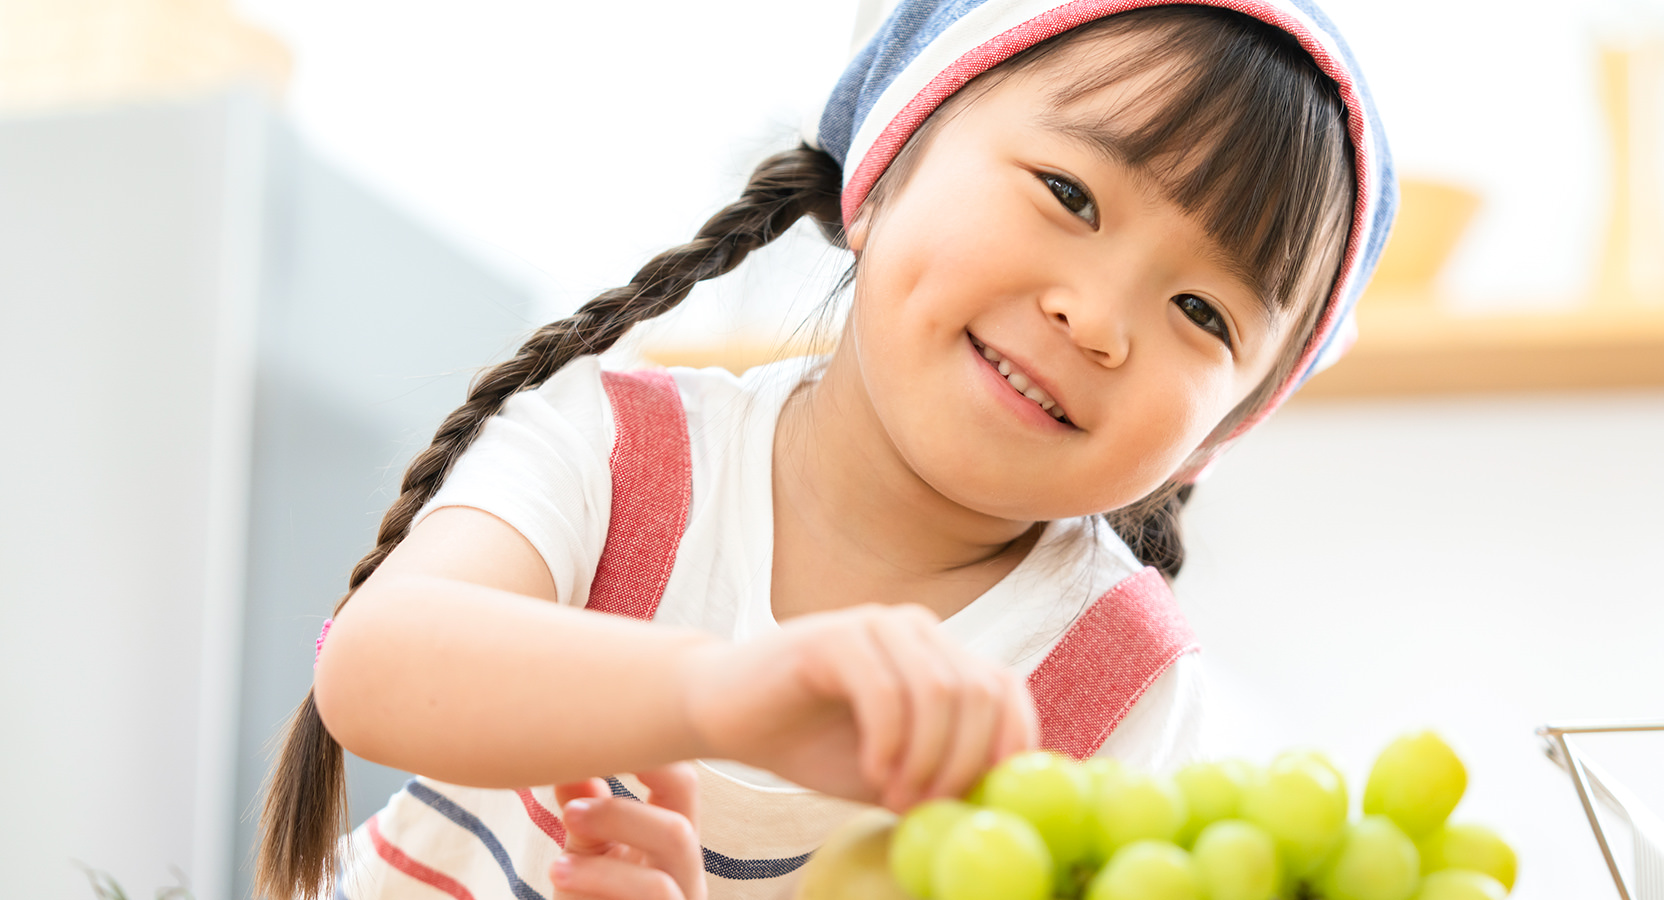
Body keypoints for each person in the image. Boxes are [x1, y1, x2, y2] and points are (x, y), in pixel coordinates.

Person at [255, 0, 1396, 897]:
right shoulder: (615, 443)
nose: (1095, 321)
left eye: (1203, 315)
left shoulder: (1121, 690)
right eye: (1067, 193)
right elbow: (377, 667)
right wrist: (721, 693)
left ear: (1219, 435)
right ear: (885, 172)